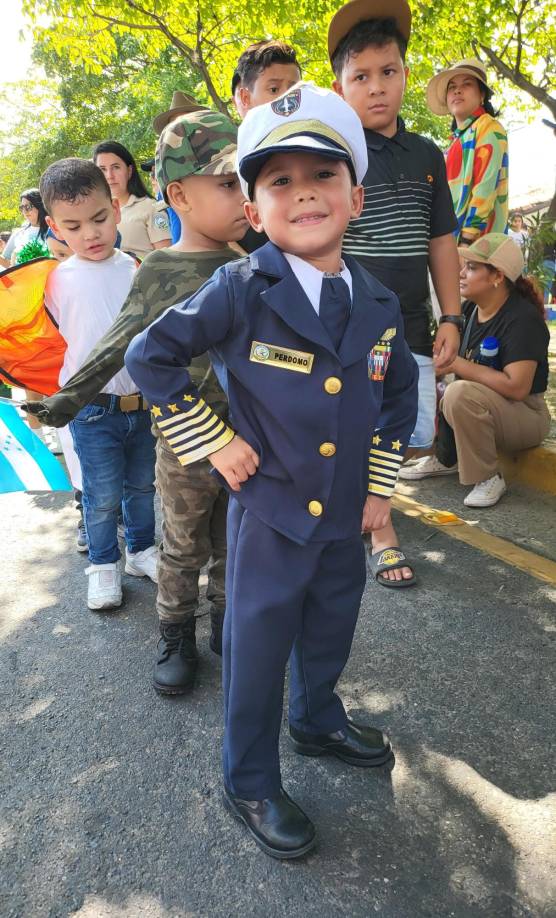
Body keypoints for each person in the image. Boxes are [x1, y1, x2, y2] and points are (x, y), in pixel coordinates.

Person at [125, 82, 418, 860]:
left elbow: (396, 400)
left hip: (344, 517)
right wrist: (212, 440)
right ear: (253, 212)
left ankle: (316, 718)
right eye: (278, 181)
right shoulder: (240, 287)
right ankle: (248, 777)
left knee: (330, 627)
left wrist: (380, 489)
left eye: (321, 176)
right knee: (255, 651)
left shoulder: (382, 303)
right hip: (272, 516)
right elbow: (147, 356)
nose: (303, 194)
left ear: (354, 196)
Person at [23, 112, 248, 695]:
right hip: (185, 438)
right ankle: (176, 635)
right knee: (181, 545)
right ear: (179, 195)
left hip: (248, 441)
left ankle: (228, 623)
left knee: (234, 541)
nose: (243, 197)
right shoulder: (160, 271)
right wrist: (63, 404)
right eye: (229, 184)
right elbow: (117, 343)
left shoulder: (254, 266)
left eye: (244, 182)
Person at [329, 0, 462, 587]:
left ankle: (363, 502)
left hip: (412, 320)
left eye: (388, 72)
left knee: (412, 432)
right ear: (340, 85)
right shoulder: (332, 154)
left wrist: (453, 316)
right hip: (351, 323)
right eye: (361, 77)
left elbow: (441, 243)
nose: (376, 88)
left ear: (406, 75)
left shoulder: (427, 154)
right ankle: (380, 529)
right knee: (362, 422)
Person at [39, 157, 158, 610]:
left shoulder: (137, 268)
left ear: (114, 207)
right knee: (101, 494)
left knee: (143, 486)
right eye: (73, 225)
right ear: (54, 226)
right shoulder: (52, 281)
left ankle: (143, 551)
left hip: (141, 403)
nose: (90, 233)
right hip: (91, 409)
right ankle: (104, 566)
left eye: (99, 219)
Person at [399, 234, 550, 507]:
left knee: (459, 392)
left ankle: (488, 477)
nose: (461, 273)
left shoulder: (522, 319)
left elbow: (517, 387)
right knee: (428, 378)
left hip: (525, 413)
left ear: (497, 277)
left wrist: (457, 364)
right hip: (487, 405)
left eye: (472, 267)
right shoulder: (468, 310)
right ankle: (446, 458)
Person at [231, 39, 302, 255]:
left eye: (295, 90)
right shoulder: (226, 168)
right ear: (245, 97)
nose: (286, 100)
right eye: (273, 89)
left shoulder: (317, 153)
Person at [427, 58, 509, 243]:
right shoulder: (457, 140)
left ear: (482, 95)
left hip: (477, 246)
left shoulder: (489, 126)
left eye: (467, 84)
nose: (457, 90)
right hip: (451, 243)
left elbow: (486, 186)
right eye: (452, 87)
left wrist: (467, 239)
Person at [92, 141, 171, 260]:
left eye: (116, 167)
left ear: (129, 171)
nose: (109, 175)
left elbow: (166, 258)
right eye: (102, 169)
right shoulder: (91, 213)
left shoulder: (151, 207)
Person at [1, 189, 49, 266]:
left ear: (40, 206)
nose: (24, 211)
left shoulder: (53, 231)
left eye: (28, 207)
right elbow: (8, 263)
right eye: (22, 207)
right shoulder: (19, 234)